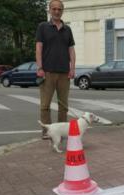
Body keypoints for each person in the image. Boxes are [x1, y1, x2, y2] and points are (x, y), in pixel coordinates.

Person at [36, 0, 76, 139]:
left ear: (62, 11)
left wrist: (72, 68)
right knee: (45, 105)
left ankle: (61, 132)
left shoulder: (67, 29)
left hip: (64, 73)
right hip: (47, 72)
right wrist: (40, 67)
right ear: (49, 10)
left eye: (59, 9)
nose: (57, 11)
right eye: (54, 9)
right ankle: (47, 133)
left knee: (63, 106)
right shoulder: (42, 27)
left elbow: (71, 50)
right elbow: (39, 48)